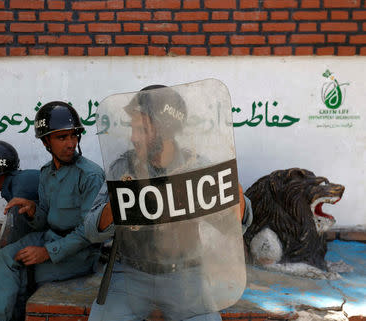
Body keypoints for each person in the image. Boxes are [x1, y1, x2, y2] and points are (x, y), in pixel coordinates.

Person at [85, 85, 253, 321]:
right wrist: (118, 204)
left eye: (141, 129)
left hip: (185, 276)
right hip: (131, 275)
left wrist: (235, 199)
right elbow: (91, 231)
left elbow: (235, 225)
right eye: (132, 129)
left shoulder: (197, 168)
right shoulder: (122, 169)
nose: (133, 137)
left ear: (165, 130)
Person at [0, 101, 105, 321]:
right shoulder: (47, 173)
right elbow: (44, 220)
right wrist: (32, 210)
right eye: (62, 137)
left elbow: (88, 233)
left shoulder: (90, 176)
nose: (71, 144)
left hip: (80, 252)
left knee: (24, 273)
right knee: (4, 258)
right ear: (46, 141)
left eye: (74, 136)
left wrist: (47, 252)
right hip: (49, 237)